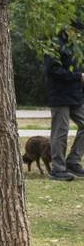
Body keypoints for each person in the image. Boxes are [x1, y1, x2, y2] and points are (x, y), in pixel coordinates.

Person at [45, 19, 84, 182]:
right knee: (61, 132)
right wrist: (78, 76)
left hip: (76, 96)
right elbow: (52, 70)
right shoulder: (54, 44)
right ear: (70, 29)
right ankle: (57, 169)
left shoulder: (76, 47)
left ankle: (73, 161)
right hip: (60, 95)